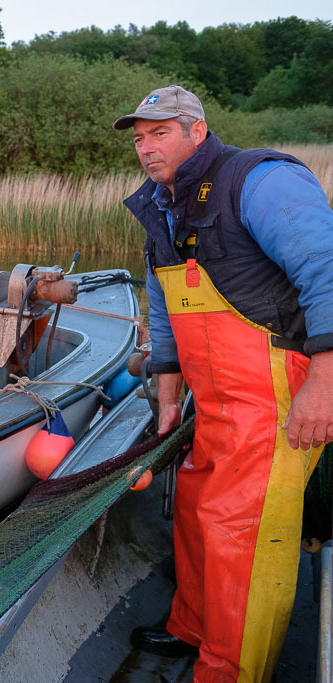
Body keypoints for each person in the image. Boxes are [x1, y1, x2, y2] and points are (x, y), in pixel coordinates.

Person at [114, 84, 333, 681]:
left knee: (241, 532)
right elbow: (163, 311)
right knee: (194, 506)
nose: (146, 147)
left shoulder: (259, 181)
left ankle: (232, 670)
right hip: (211, 402)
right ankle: (194, 627)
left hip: (275, 394)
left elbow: (328, 272)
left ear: (197, 130)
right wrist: (166, 395)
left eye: (160, 132)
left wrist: (325, 384)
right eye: (139, 138)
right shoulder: (159, 208)